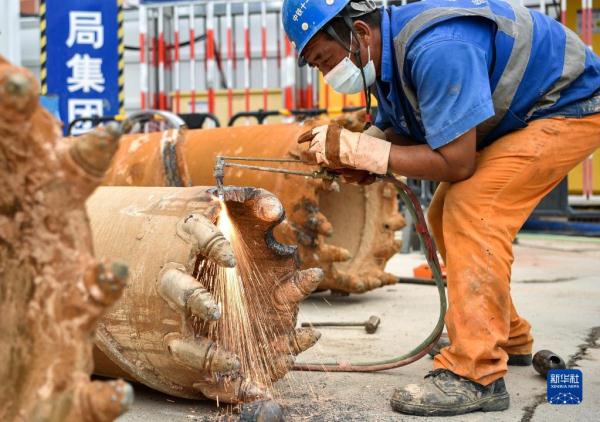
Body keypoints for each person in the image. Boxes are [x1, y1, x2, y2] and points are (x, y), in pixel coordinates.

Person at [282, 0, 600, 416]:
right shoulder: (385, 55)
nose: (328, 76)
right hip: (524, 113)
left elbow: (455, 161)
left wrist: (366, 151)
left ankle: (477, 373)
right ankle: (505, 334)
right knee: (442, 215)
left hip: (566, 106)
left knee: (473, 209)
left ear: (359, 32)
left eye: (326, 60)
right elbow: (406, 126)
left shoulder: (437, 47)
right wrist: (361, 155)